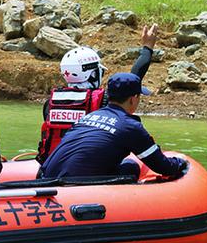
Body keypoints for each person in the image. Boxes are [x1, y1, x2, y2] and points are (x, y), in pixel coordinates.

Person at [36, 24, 159, 164]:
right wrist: (147, 48)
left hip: (51, 165)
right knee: (130, 164)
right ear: (93, 74)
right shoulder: (103, 100)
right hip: (87, 169)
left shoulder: (51, 103)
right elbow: (133, 78)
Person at [39, 73, 187, 180]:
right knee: (131, 166)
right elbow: (164, 167)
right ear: (133, 99)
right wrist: (182, 162)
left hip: (46, 177)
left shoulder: (88, 117)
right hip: (75, 188)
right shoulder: (130, 126)